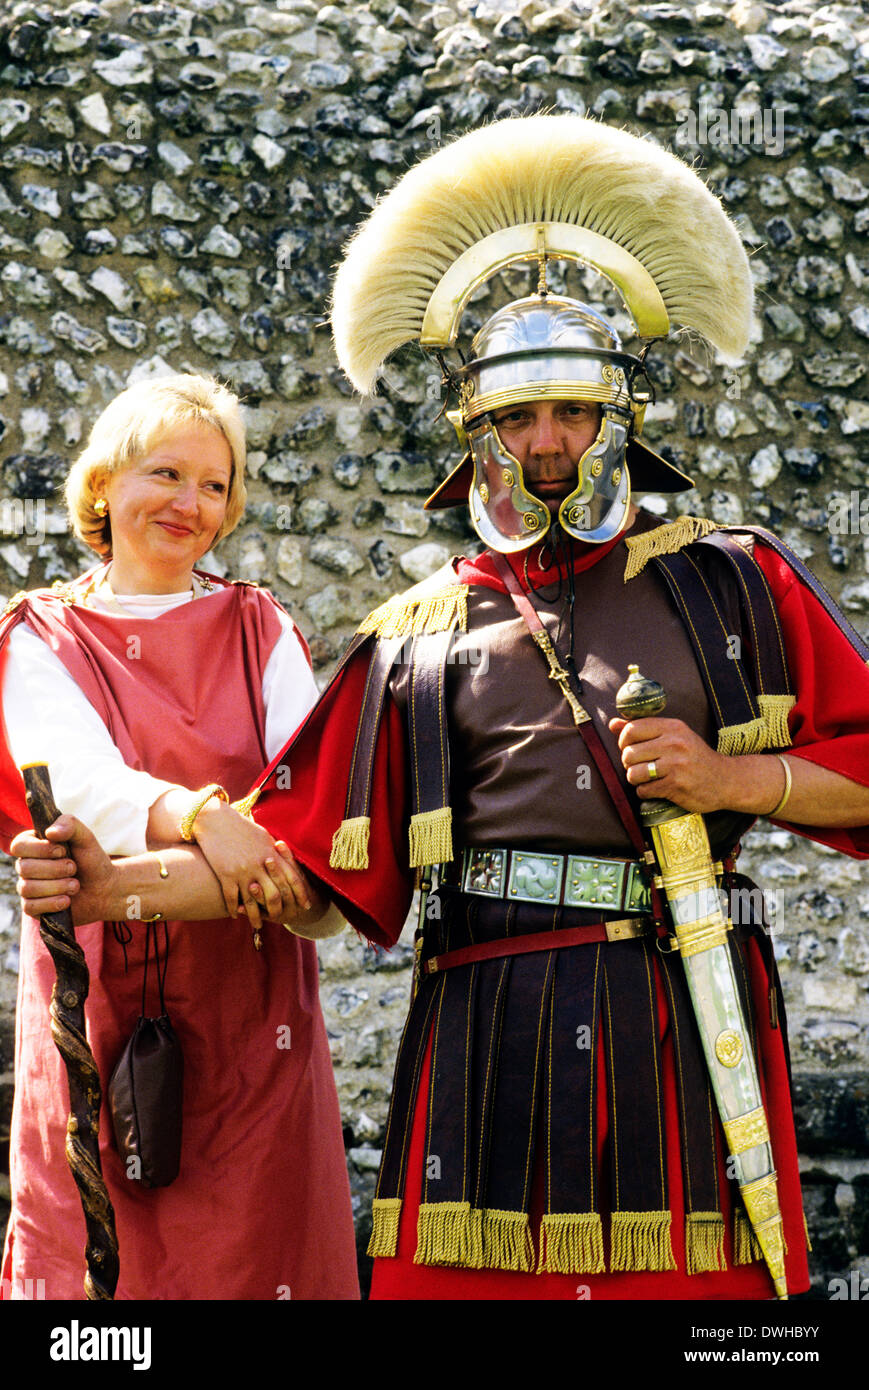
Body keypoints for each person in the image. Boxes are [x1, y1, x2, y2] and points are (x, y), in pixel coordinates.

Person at [15, 117, 869, 1301]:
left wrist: (739, 781)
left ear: (617, 418)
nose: (549, 443)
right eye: (516, 419)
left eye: (571, 412)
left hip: (676, 1016)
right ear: (474, 439)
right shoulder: (419, 632)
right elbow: (302, 862)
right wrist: (114, 887)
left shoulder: (736, 581)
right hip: (483, 1033)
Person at [0, 373, 359, 1300]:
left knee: (260, 1256)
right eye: (165, 474)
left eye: (213, 485)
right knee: (105, 1279)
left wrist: (255, 841)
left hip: (254, 1001)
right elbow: (74, 786)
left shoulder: (261, 626)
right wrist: (210, 820)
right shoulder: (40, 635)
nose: (189, 504)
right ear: (104, 486)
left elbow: (305, 805)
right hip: (100, 995)